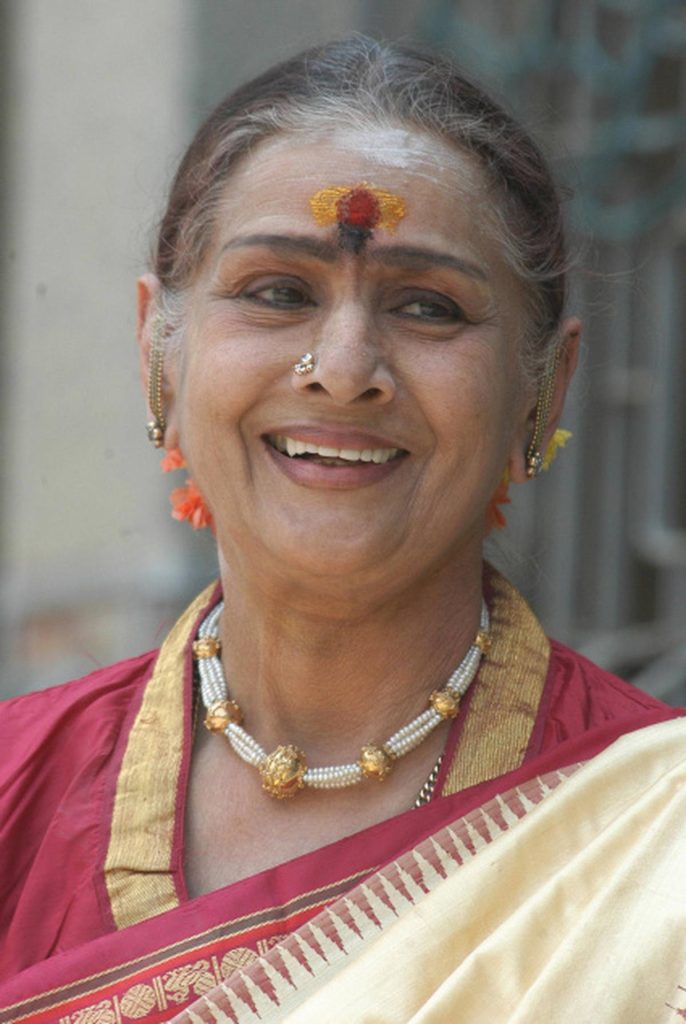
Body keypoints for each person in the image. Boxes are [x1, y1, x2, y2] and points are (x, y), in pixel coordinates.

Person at [1, 37, 684, 1024]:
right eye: (278, 292)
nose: (344, 367)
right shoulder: (16, 792)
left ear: (544, 386)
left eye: (427, 307)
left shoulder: (651, 837)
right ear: (158, 349)